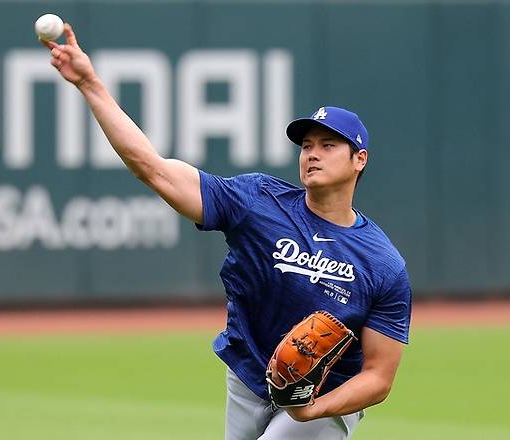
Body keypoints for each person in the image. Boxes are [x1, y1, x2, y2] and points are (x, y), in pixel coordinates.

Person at [43, 23, 411, 440]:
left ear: (359, 159)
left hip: (323, 396)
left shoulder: (381, 263)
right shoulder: (257, 203)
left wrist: (312, 410)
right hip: (247, 376)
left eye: (328, 146)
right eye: (307, 145)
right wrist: (90, 84)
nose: (312, 154)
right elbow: (153, 168)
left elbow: (380, 377)